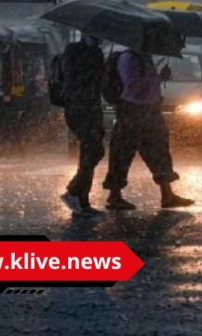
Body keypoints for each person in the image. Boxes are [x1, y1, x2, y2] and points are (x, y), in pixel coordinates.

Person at [104, 50, 194, 210]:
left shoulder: (145, 58)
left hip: (150, 110)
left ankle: (167, 195)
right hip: (132, 111)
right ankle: (114, 196)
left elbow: (146, 85)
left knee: (159, 151)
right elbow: (133, 86)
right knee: (122, 153)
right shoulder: (128, 58)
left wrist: (160, 78)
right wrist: (157, 78)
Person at [59, 35, 106, 217]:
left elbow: (100, 82)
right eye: (95, 35)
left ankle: (80, 197)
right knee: (91, 151)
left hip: (93, 107)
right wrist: (95, 69)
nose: (98, 39)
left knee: (94, 152)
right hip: (78, 107)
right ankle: (75, 194)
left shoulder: (97, 53)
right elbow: (73, 77)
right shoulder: (73, 50)